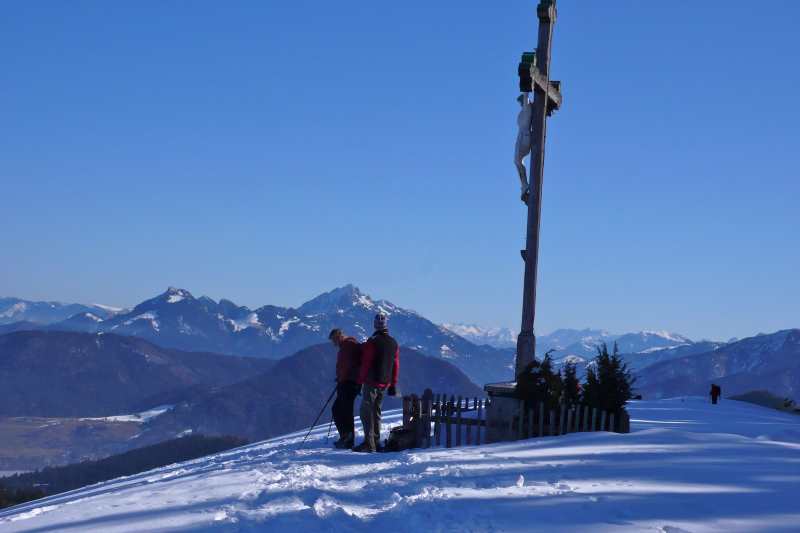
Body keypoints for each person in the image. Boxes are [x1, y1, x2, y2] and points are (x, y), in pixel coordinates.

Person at [353, 313, 399, 453]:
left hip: (371, 382)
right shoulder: (393, 342)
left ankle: (369, 443)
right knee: (376, 412)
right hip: (384, 383)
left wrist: (359, 381)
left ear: (375, 324)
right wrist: (393, 384)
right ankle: (376, 441)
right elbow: (396, 364)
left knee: (366, 412)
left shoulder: (372, 342)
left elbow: (366, 363)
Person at [329, 328, 362, 449]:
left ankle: (348, 439)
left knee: (343, 410)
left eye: (334, 340)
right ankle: (346, 437)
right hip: (349, 382)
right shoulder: (348, 345)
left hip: (348, 383)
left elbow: (347, 366)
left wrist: (341, 378)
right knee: (341, 410)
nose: (334, 343)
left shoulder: (348, 346)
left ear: (339, 336)